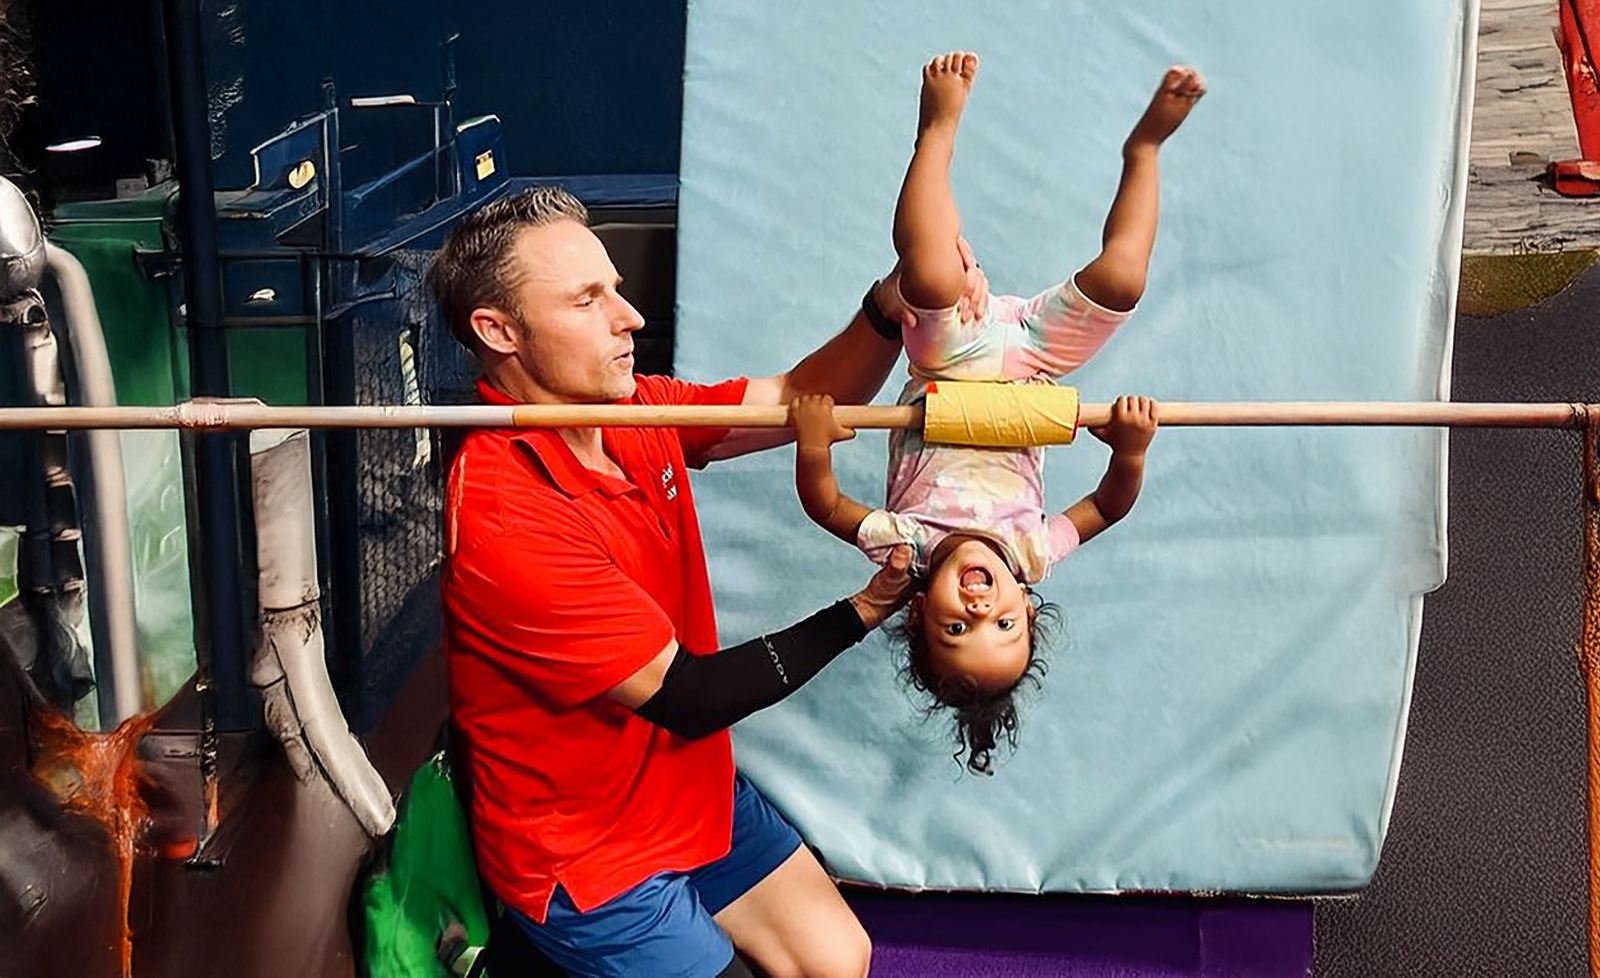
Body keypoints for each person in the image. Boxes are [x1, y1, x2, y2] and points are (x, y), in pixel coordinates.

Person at [428, 184, 986, 978]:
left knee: (838, 959)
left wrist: (888, 305)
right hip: (588, 856)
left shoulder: (636, 412)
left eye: (616, 289)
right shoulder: (507, 518)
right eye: (588, 301)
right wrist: (862, 611)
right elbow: (689, 698)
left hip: (687, 794)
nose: (631, 318)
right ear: (498, 330)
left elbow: (800, 400)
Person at [788, 52, 1201, 774]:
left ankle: (936, 133)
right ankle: (1145, 149)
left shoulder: (906, 547)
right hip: (1033, 361)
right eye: (1004, 623)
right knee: (1124, 278)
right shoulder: (1031, 551)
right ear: (1028, 607)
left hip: (948, 357)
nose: (981, 606)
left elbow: (826, 506)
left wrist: (815, 443)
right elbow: (1108, 507)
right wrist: (1130, 450)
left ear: (919, 613)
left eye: (957, 626)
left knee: (930, 273)